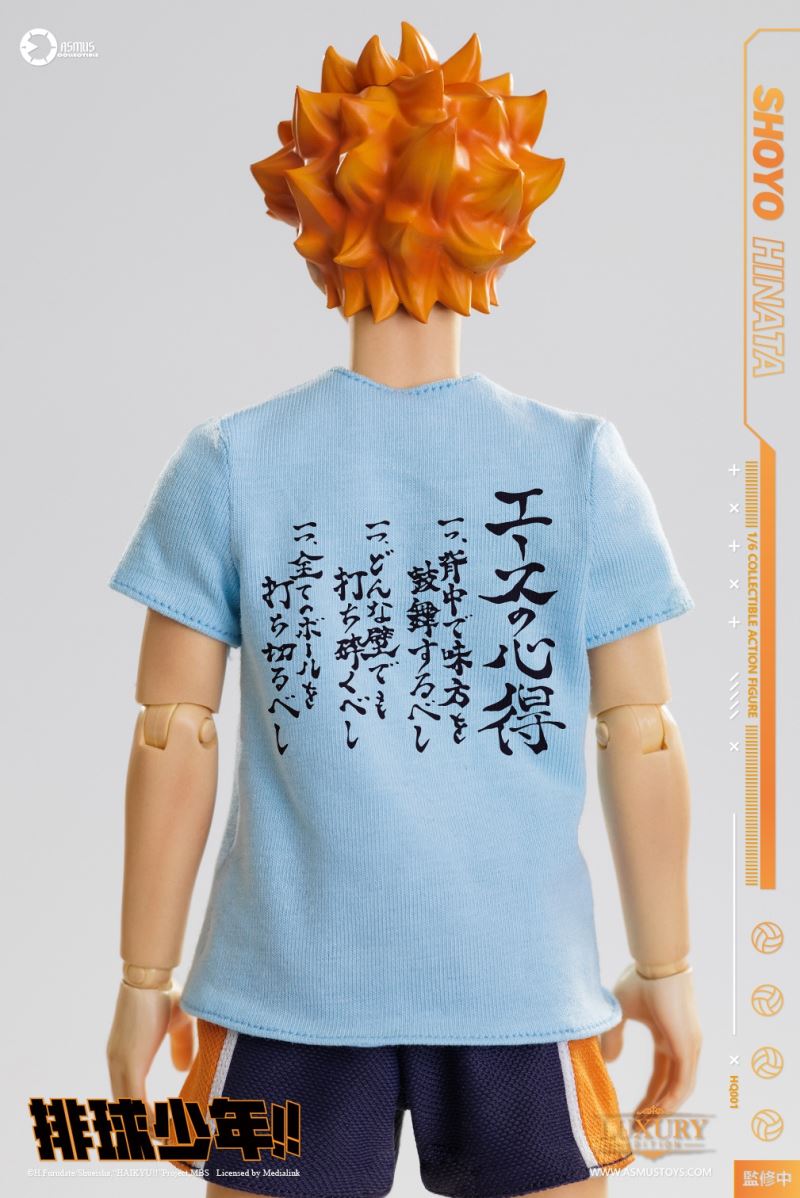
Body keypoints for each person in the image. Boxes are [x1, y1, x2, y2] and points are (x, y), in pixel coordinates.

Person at [105, 22, 701, 1197]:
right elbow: (641, 732)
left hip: (284, 984)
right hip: (518, 983)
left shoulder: (232, 459)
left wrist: (141, 978)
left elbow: (171, 731)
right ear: (503, 215)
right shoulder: (578, 461)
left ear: (310, 215)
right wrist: (665, 966)